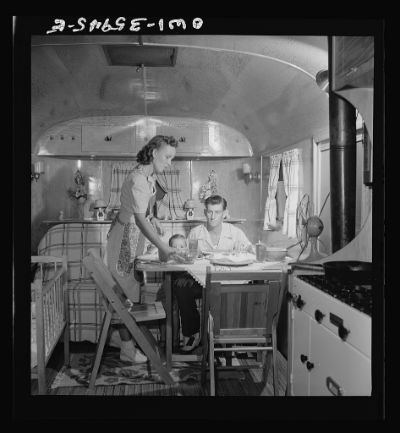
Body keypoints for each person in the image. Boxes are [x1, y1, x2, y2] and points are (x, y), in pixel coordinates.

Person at [105, 135, 180, 363]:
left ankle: (120, 339)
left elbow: (144, 212)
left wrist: (153, 218)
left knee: (131, 289)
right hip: (124, 240)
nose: (169, 162)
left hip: (132, 237)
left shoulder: (149, 176)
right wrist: (164, 247)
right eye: (167, 157)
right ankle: (127, 348)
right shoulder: (138, 179)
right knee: (125, 294)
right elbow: (138, 220)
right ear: (154, 152)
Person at [172, 194, 254, 352]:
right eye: (210, 212)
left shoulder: (235, 232)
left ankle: (231, 337)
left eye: (217, 212)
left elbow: (251, 251)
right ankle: (192, 333)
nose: (213, 216)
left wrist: (243, 250)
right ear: (204, 212)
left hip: (226, 284)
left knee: (247, 288)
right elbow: (188, 259)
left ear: (225, 213)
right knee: (180, 285)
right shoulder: (196, 233)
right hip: (202, 282)